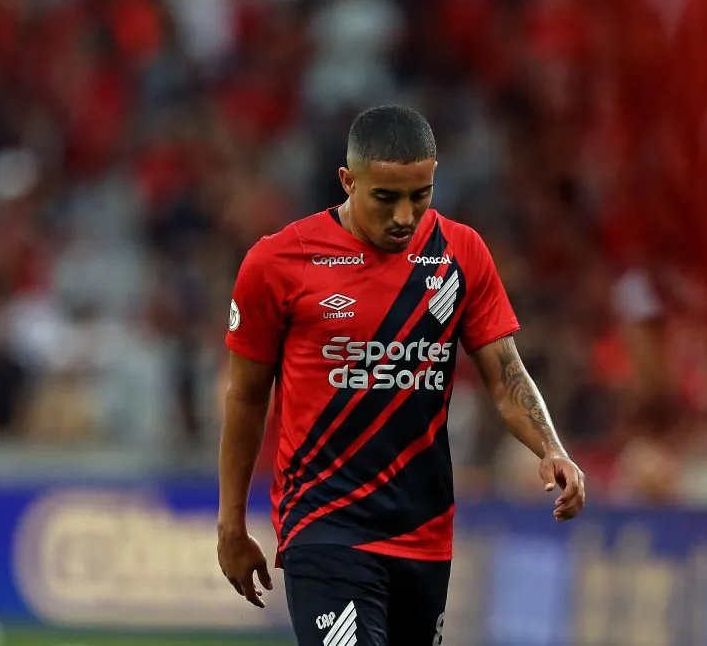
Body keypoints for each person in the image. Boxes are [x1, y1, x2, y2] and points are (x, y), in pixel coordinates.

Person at [216, 105, 586, 645]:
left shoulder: (460, 255)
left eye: (421, 194)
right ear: (347, 181)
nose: (405, 217)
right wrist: (231, 522)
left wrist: (551, 448)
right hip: (324, 526)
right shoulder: (279, 263)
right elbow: (246, 398)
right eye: (385, 198)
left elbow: (506, 377)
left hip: (424, 532)